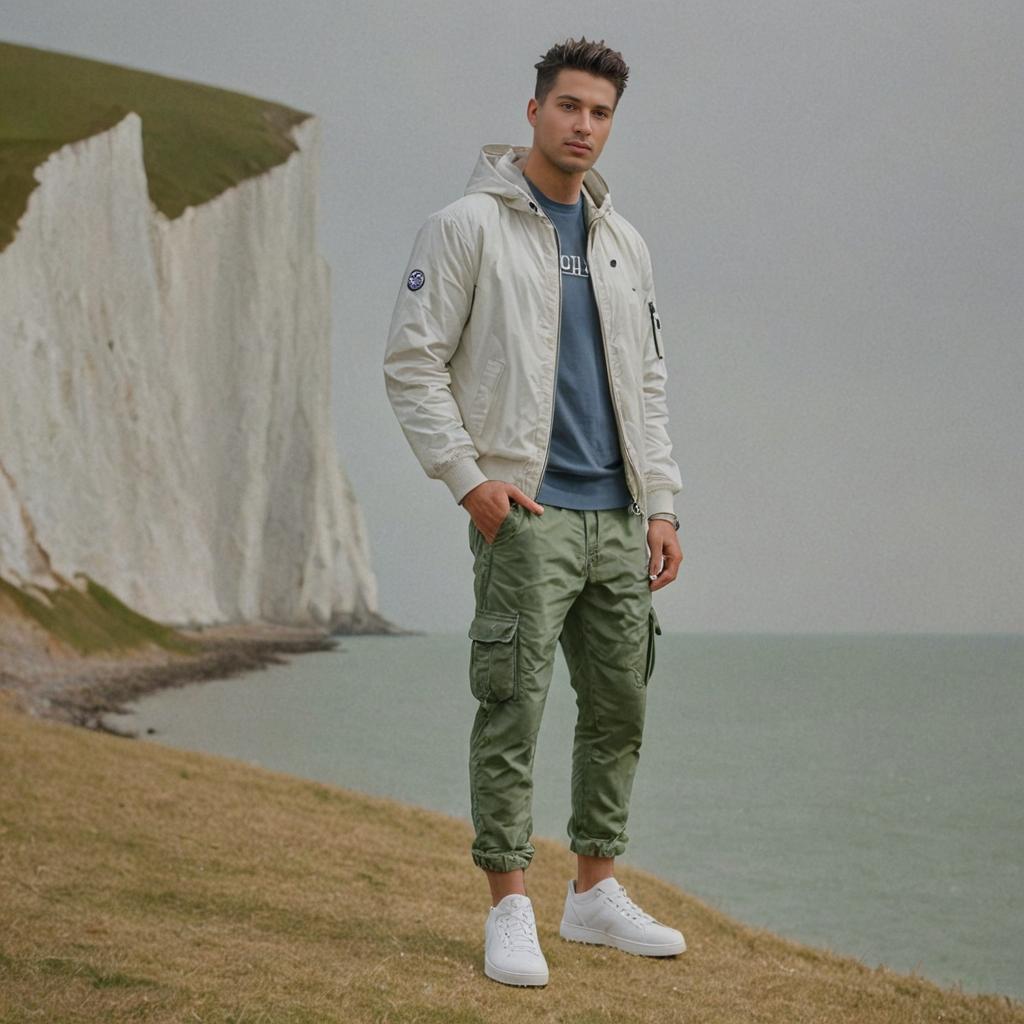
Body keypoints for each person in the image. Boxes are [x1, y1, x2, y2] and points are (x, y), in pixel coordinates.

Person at [383, 36, 685, 987]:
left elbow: (647, 379)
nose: (584, 126)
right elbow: (412, 362)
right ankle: (509, 907)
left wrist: (662, 503)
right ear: (533, 112)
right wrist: (469, 481)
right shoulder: (465, 225)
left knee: (620, 706)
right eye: (570, 107)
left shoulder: (622, 241)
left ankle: (594, 893)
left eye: (600, 113)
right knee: (512, 708)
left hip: (619, 518)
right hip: (527, 513)